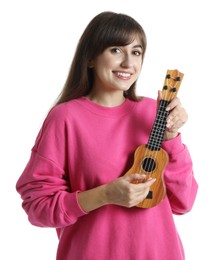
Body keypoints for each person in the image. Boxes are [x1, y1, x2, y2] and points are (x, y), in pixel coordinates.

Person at [16, 11, 198, 260]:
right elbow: (38, 207)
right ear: (90, 57)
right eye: (116, 50)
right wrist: (105, 195)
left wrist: (172, 138)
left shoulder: (152, 113)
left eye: (136, 52)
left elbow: (183, 202)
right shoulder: (65, 118)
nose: (128, 63)